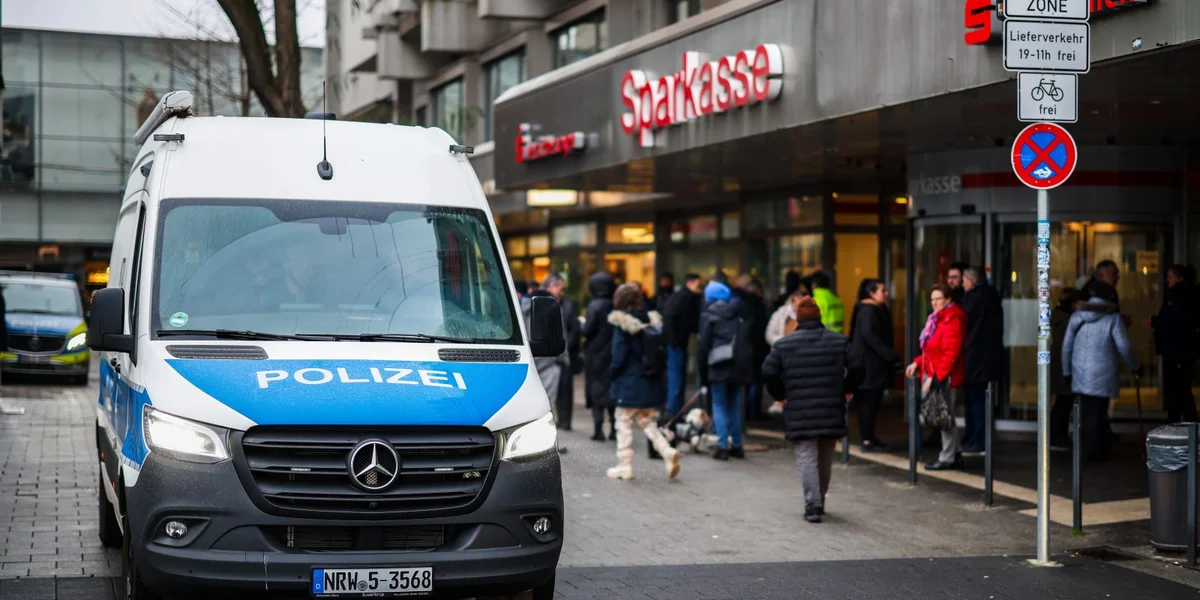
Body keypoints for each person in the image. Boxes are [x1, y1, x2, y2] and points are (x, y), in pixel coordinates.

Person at [762, 296, 862, 523]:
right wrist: (847, 389)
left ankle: (812, 503)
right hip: (830, 407)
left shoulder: (784, 345)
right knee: (825, 456)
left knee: (806, 456)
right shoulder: (838, 342)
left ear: (797, 318)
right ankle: (820, 501)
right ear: (819, 317)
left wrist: (780, 395)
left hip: (799, 409)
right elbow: (857, 365)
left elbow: (767, 371)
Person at [604, 284, 682, 480]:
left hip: (629, 383)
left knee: (622, 422)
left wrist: (611, 374)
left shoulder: (622, 324)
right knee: (647, 421)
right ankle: (666, 450)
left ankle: (625, 466)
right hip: (651, 383)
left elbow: (618, 357)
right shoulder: (652, 321)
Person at [1062, 281, 1139, 462]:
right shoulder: (1113, 319)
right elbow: (1125, 347)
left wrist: (1067, 371)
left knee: (1085, 411)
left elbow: (1066, 347)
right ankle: (1093, 451)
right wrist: (1135, 366)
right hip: (1103, 373)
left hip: (1080, 372)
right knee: (1098, 411)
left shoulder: (1076, 317)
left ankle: (1083, 449)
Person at [906, 283, 967, 471]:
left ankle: (947, 457)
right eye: (932, 299)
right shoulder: (937, 318)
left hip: (944, 376)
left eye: (938, 299)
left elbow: (951, 353)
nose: (934, 303)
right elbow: (930, 350)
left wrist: (936, 376)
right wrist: (918, 362)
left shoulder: (952, 319)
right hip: (934, 373)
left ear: (948, 299)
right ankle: (955, 453)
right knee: (946, 416)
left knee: (943, 417)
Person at [697, 279, 751, 460]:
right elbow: (745, 344)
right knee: (735, 406)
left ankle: (722, 446)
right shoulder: (738, 315)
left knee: (719, 405)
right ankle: (737, 445)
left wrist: (703, 373)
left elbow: (703, 347)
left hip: (718, 365)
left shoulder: (708, 316)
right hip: (738, 367)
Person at [520, 280, 570, 454]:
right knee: (548, 406)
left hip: (527, 363)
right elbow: (562, 336)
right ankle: (549, 443)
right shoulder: (552, 308)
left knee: (527, 406)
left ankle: (525, 444)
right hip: (548, 363)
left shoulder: (519, 309)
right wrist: (564, 360)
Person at [959, 267, 1004, 455]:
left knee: (975, 400)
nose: (962, 284)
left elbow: (963, 325)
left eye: (963, 280)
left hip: (975, 356)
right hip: (988, 356)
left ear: (971, 281)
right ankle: (976, 438)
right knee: (979, 398)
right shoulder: (992, 297)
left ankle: (977, 440)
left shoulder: (972, 299)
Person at [849, 279, 897, 452]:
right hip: (869, 366)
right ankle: (867, 439)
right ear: (871, 293)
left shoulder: (872, 309)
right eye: (882, 290)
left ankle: (869, 437)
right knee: (868, 403)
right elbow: (869, 335)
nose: (886, 293)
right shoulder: (869, 311)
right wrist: (889, 354)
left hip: (871, 365)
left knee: (872, 403)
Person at [1148, 264, 1197, 424]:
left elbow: (1177, 320)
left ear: (1180, 278)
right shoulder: (1176, 295)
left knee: (1180, 389)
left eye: (1170, 276)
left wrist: (1155, 321)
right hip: (1175, 350)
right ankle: (1175, 423)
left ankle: (1189, 425)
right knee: (1176, 389)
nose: (1167, 279)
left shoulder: (1183, 296)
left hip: (1179, 350)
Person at [662, 273, 704, 420]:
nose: (700, 289)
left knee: (677, 380)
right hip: (677, 343)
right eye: (698, 286)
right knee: (677, 381)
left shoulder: (679, 297)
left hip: (676, 343)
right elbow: (686, 321)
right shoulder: (685, 298)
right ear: (690, 283)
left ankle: (675, 411)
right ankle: (674, 412)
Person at [582, 272, 618, 441]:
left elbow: (588, 330)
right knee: (613, 390)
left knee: (596, 390)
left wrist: (581, 324)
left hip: (595, 354)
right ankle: (614, 429)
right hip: (613, 352)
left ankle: (598, 430)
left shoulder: (594, 306)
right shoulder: (617, 304)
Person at [544, 274, 582, 431]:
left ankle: (566, 421)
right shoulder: (543, 304)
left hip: (565, 354)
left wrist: (567, 345)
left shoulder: (569, 306)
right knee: (552, 389)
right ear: (551, 287)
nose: (562, 291)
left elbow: (575, 328)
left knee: (566, 389)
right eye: (559, 287)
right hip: (548, 355)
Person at [1050, 287, 1085, 451]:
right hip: (1065, 365)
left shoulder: (1057, 317)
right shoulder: (1068, 321)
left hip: (1058, 364)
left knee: (1061, 403)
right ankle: (1057, 438)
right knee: (1063, 404)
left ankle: (1056, 437)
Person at [733, 274, 770, 421]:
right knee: (755, 381)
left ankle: (747, 410)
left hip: (745, 347)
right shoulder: (755, 305)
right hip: (756, 347)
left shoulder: (738, 302)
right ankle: (753, 410)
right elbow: (760, 327)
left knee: (747, 381)